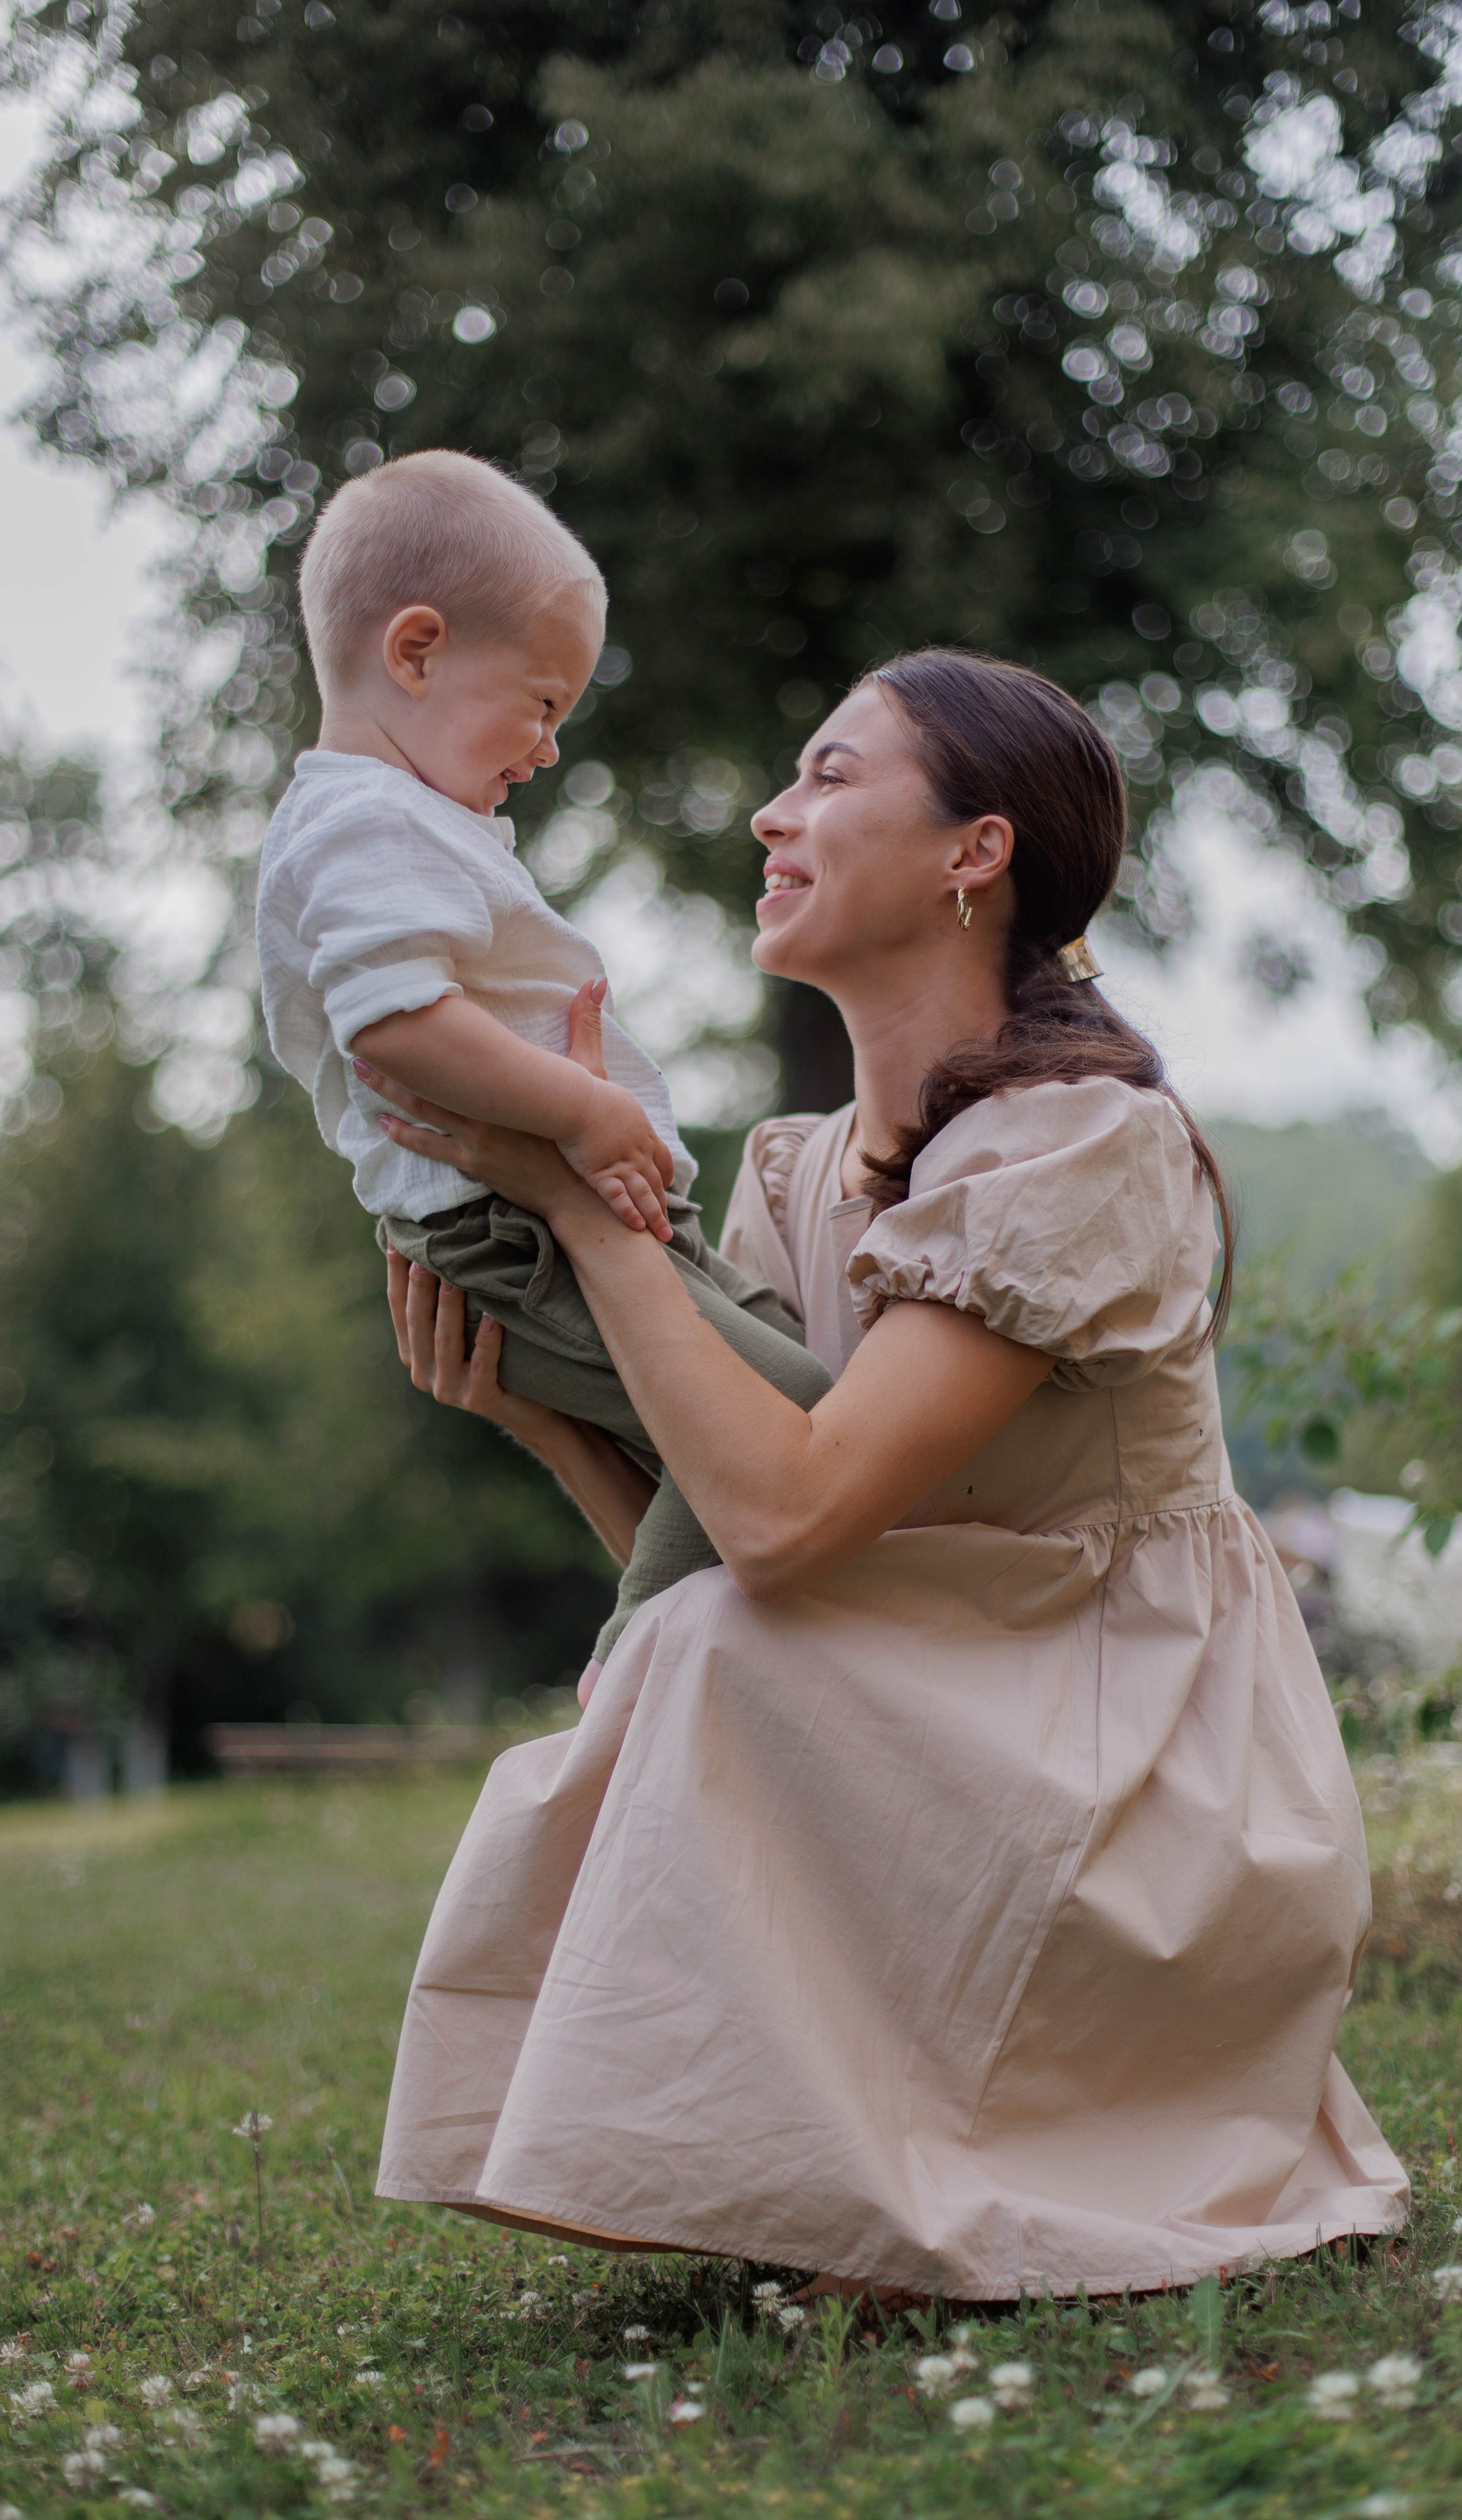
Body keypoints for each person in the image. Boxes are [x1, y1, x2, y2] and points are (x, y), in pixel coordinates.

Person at [366, 648, 1409, 2303]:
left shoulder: (1080, 1141)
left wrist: (583, 1208)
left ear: (971, 854)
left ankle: (955, 2141)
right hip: (968, 1698)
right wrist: (550, 1424)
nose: (775, 815)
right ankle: (811, 2155)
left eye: (832, 776)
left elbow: (780, 1533)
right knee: (695, 1650)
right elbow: (741, 1563)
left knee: (712, 1644)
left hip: (1142, 1760)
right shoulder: (798, 1179)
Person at [256, 448, 831, 1678]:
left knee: (785, 1395)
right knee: (792, 1419)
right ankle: (636, 1692)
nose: (551, 745)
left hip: (562, 1217)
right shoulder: (363, 821)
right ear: (415, 652)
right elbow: (396, 1026)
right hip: (507, 1236)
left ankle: (679, 1687)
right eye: (542, 703)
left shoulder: (406, 819)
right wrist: (581, 1112)